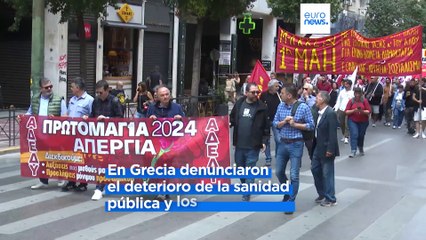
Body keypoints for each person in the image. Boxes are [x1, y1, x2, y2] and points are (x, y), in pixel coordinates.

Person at [18, 77, 67, 189]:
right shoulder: (35, 99)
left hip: (55, 134)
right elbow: (30, 112)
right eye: (46, 87)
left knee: (56, 156)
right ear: (41, 89)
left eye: (51, 86)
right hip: (39, 134)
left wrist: (56, 119)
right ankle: (43, 180)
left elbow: (65, 117)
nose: (49, 89)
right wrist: (22, 117)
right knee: (41, 157)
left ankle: (60, 178)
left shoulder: (59, 99)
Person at [273, 84, 314, 214]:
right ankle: (287, 191)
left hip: (296, 144)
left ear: (289, 95)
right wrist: (284, 122)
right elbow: (275, 123)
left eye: (283, 93)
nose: (281, 95)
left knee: (294, 175)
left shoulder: (303, 107)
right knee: (279, 172)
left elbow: (311, 125)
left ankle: (290, 200)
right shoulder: (280, 106)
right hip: (282, 143)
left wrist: (295, 124)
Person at [83, 80, 123, 200]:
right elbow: (93, 115)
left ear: (107, 90)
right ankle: (100, 187)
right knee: (102, 162)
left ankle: (107, 187)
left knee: (112, 163)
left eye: (100, 92)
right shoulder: (96, 101)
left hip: (112, 136)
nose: (99, 95)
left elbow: (120, 119)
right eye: (97, 92)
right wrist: (88, 118)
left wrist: (107, 119)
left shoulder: (115, 101)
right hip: (99, 136)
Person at [230, 83, 269, 201]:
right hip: (239, 144)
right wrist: (229, 124)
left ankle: (246, 195)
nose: (256, 94)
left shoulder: (262, 108)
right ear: (246, 93)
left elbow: (266, 127)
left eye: (257, 92)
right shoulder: (239, 104)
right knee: (240, 170)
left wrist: (264, 141)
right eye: (253, 92)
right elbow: (232, 118)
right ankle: (246, 186)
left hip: (253, 145)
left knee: (250, 170)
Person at [147, 85, 185, 201]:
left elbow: (187, 124)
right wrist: (150, 119)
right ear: (157, 97)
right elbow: (144, 125)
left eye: (167, 94)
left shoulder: (177, 107)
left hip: (172, 144)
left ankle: (163, 190)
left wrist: (181, 119)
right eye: (162, 95)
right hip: (156, 143)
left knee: (167, 166)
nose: (165, 97)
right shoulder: (152, 108)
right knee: (158, 166)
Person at [61, 77, 94, 192]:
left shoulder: (89, 100)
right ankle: (71, 181)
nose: (71, 89)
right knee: (71, 158)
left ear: (78, 88)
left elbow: (93, 116)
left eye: (72, 87)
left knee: (83, 159)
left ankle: (83, 183)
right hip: (71, 134)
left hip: (83, 136)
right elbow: (69, 114)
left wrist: (88, 119)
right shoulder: (72, 100)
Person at [311, 91, 339, 207]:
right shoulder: (318, 112)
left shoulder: (330, 113)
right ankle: (322, 193)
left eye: (317, 98)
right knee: (314, 168)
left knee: (327, 173)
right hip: (318, 145)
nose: (315, 100)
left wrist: (330, 149)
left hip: (327, 147)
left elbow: (333, 133)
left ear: (323, 100)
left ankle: (330, 198)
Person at [259, 79, 281, 167]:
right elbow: (260, 106)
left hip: (276, 121)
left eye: (278, 86)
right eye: (276, 86)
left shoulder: (279, 95)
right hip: (266, 121)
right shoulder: (264, 95)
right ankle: (268, 158)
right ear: (271, 87)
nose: (278, 88)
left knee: (278, 140)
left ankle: (278, 156)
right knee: (266, 141)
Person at [345, 87, 371, 158]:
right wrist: (354, 110)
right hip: (353, 120)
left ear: (361, 94)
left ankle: (360, 147)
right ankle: (353, 150)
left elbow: (368, 111)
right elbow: (346, 111)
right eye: (356, 93)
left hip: (363, 121)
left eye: (359, 93)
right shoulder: (351, 101)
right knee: (354, 134)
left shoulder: (364, 101)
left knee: (361, 135)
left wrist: (362, 111)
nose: (357, 95)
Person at [334, 79, 354, 144]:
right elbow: (338, 100)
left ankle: (346, 137)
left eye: (346, 84)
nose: (345, 85)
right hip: (341, 109)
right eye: (344, 84)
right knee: (341, 123)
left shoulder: (352, 93)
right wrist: (336, 108)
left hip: (348, 110)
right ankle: (344, 134)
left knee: (346, 123)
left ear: (349, 85)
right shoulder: (342, 92)